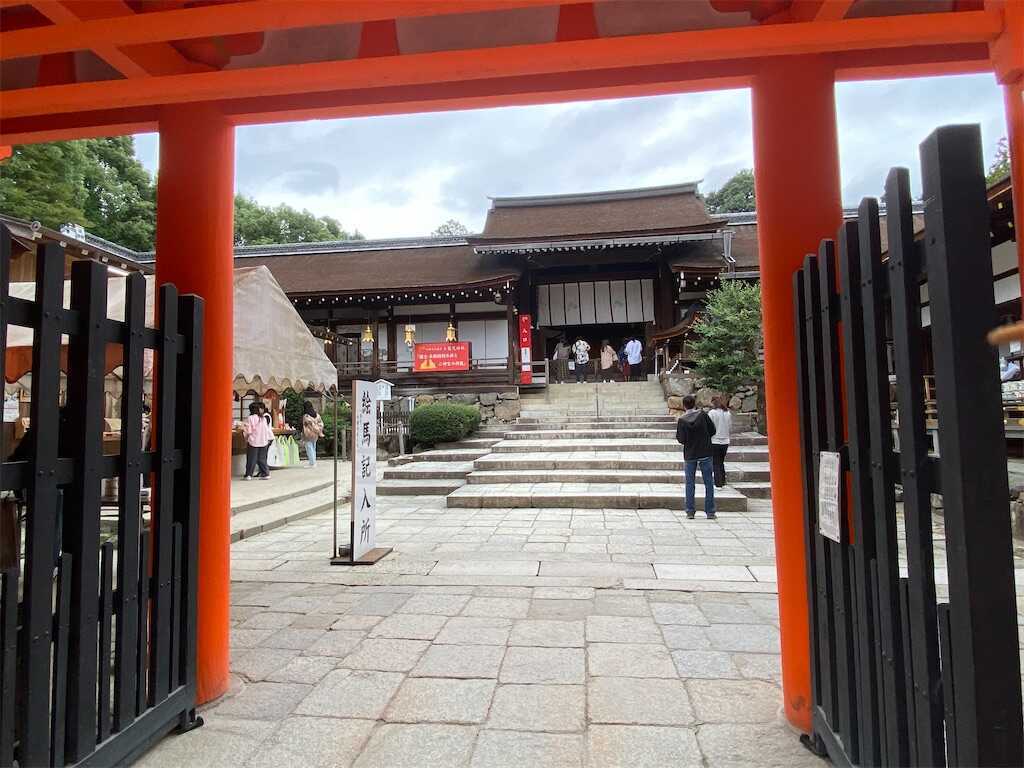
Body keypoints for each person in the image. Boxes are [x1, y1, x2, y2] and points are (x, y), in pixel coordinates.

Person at [675, 394, 716, 519]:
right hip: (705, 452)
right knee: (708, 482)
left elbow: (681, 439)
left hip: (690, 454)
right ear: (694, 403)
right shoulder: (703, 415)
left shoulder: (682, 421)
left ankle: (690, 511)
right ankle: (710, 512)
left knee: (690, 483)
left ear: (684, 406)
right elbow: (712, 430)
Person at [242, 402, 273, 480]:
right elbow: (266, 429)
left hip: (253, 441)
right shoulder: (263, 418)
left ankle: (249, 474)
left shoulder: (251, 418)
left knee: (251, 458)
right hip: (263, 441)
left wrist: (245, 437)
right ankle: (265, 473)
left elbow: (249, 431)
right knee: (262, 458)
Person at [708, 396, 732, 488]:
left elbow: (709, 426)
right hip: (725, 440)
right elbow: (729, 426)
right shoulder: (727, 413)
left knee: (716, 462)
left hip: (715, 440)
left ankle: (718, 483)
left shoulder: (712, 413)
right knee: (721, 461)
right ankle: (723, 480)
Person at [301, 400, 324, 468]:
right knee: (313, 447)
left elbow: (308, 425)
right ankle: (313, 462)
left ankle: (312, 463)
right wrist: (318, 430)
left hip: (308, 434)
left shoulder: (306, 416)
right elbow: (321, 424)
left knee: (309, 448)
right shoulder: (317, 415)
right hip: (316, 434)